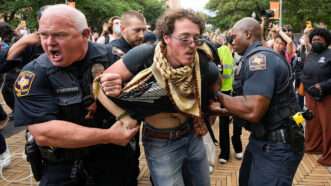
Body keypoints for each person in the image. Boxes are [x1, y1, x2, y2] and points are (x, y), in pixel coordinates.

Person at [14, 4, 138, 186]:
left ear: (85, 35)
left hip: (114, 161)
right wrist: (108, 135)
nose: (49, 43)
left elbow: (148, 103)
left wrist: (126, 91)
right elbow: (44, 133)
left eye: (59, 34)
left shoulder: (115, 59)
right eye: (43, 35)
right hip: (63, 164)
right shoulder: (33, 74)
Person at [100, 9, 220, 186]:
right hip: (161, 142)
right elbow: (100, 86)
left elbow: (214, 86)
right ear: (166, 37)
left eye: (196, 38)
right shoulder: (144, 55)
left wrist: (207, 109)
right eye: (184, 38)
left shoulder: (202, 62)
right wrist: (124, 116)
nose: (192, 44)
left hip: (193, 136)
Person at [210, 17, 303, 186]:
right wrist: (226, 108)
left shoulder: (260, 60)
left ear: (247, 34)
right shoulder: (254, 56)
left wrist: (218, 96)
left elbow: (253, 110)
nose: (231, 41)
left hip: (277, 147)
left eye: (234, 36)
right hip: (262, 140)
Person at [301, 28, 331, 172]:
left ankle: (328, 155)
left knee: (328, 126)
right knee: (312, 123)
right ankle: (314, 146)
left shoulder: (330, 54)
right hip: (311, 94)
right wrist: (310, 87)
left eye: (319, 39)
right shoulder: (310, 55)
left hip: (327, 96)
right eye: (313, 40)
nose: (316, 41)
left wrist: (322, 86)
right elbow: (304, 72)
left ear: (326, 41)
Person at [217, 37, 243, 164]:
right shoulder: (220, 51)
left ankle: (238, 147)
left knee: (238, 121)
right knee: (223, 123)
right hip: (224, 92)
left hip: (237, 92)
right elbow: (218, 72)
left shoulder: (241, 53)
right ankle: (224, 152)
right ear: (231, 42)